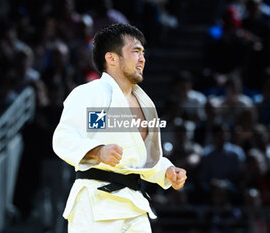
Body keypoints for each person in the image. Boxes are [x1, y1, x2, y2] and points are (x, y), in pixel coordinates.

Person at [52, 23, 187, 232]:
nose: (142, 58)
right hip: (96, 205)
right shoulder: (94, 94)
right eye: (135, 51)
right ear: (112, 58)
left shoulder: (145, 103)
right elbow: (64, 139)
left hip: (135, 205)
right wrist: (97, 151)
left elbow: (141, 158)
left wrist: (166, 171)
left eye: (143, 53)